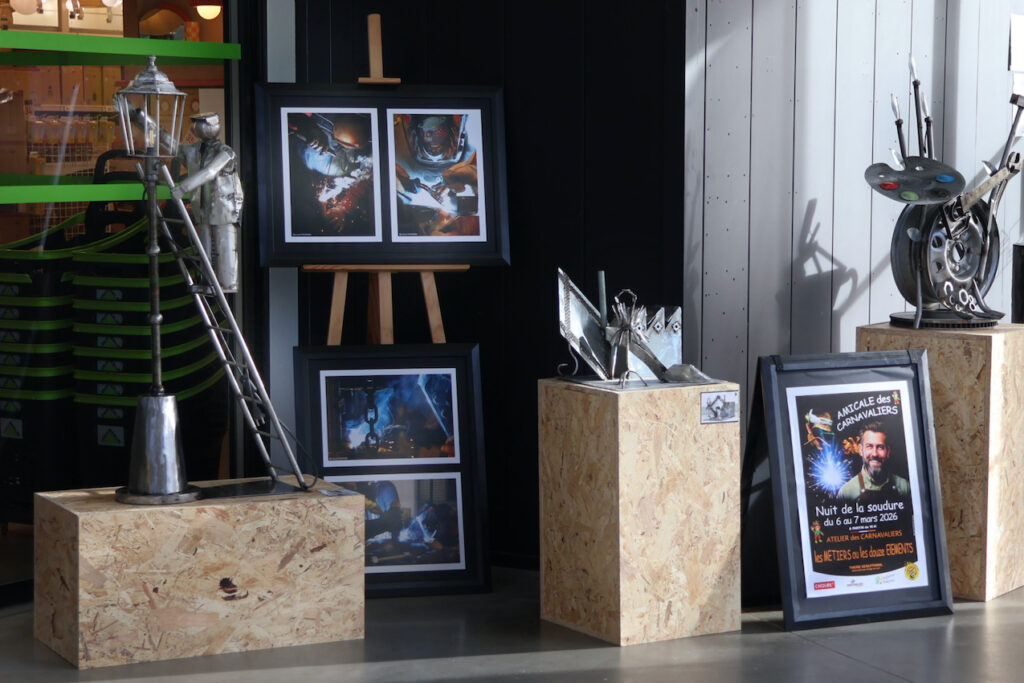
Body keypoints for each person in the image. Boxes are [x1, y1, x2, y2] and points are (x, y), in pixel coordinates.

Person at [836, 421, 911, 501]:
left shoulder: (904, 487)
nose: (875, 454)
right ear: (861, 450)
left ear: (888, 451)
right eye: (869, 446)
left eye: (880, 447)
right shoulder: (846, 492)